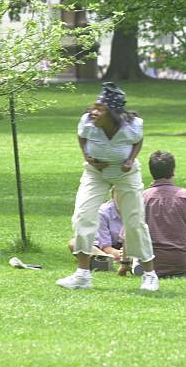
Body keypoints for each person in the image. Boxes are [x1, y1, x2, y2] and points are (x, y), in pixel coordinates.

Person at [57, 82, 158, 291]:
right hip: (96, 173)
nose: (93, 112)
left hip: (125, 174)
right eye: (94, 107)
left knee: (134, 222)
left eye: (100, 109)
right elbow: (81, 137)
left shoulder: (131, 126)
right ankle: (82, 275)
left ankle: (149, 274)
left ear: (112, 113)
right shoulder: (87, 122)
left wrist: (130, 159)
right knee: (82, 216)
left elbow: (138, 141)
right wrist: (88, 158)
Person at [140, 150, 186, 277]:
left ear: (151, 171)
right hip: (183, 263)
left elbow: (129, 233)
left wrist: (124, 263)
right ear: (173, 171)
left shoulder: (142, 197)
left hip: (148, 263)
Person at [67, 193, 123, 261]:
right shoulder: (102, 212)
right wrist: (119, 254)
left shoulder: (137, 210)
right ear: (113, 196)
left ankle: (103, 260)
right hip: (102, 245)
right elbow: (106, 247)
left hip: (127, 246)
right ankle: (104, 258)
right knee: (74, 242)